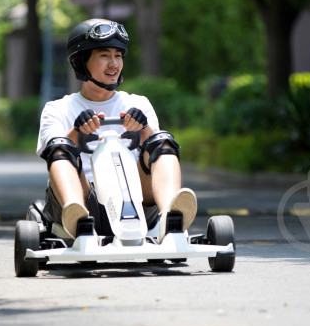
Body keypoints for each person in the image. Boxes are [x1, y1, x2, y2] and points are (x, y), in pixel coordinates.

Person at [36, 18, 197, 241]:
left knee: (163, 141)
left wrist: (144, 129)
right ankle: (77, 219)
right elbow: (51, 153)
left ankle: (170, 216)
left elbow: (155, 154)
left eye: (118, 55)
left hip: (136, 197)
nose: (114, 63)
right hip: (84, 199)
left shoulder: (138, 103)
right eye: (104, 55)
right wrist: (76, 132)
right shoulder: (58, 109)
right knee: (60, 148)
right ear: (81, 62)